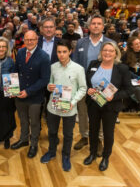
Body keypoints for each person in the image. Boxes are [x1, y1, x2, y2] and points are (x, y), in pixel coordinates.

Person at [84, 42, 132, 171]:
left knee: (108, 133)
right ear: (101, 52)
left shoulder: (122, 68)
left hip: (111, 106)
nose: (107, 53)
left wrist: (114, 97)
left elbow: (129, 90)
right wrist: (88, 89)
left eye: (111, 51)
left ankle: (106, 157)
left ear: (116, 53)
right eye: (105, 50)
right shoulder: (93, 64)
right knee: (93, 130)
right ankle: (92, 153)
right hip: (93, 103)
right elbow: (87, 82)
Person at [40, 40, 86, 171]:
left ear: (70, 52)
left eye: (64, 52)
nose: (61, 55)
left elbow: (83, 88)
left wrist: (73, 102)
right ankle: (51, 151)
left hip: (69, 108)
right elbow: (49, 84)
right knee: (52, 131)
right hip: (53, 107)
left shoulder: (78, 69)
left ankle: (66, 155)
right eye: (59, 52)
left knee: (68, 134)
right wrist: (49, 86)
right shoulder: (53, 67)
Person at [72, 15, 114, 155]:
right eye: (93, 24)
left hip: (102, 87)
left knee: (100, 113)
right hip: (83, 85)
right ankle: (84, 136)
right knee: (82, 112)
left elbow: (116, 64)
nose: (96, 26)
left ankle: (99, 139)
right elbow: (75, 63)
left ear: (103, 26)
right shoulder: (81, 43)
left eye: (99, 24)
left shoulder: (110, 43)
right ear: (88, 26)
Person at [11, 30, 50, 158]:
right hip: (19, 94)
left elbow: (44, 80)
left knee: (34, 122)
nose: (29, 42)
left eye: (32, 39)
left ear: (37, 40)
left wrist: (28, 92)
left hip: (34, 97)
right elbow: (15, 71)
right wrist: (12, 89)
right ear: (24, 40)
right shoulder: (21, 52)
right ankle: (23, 139)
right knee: (22, 120)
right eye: (27, 39)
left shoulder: (44, 56)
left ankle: (33, 144)